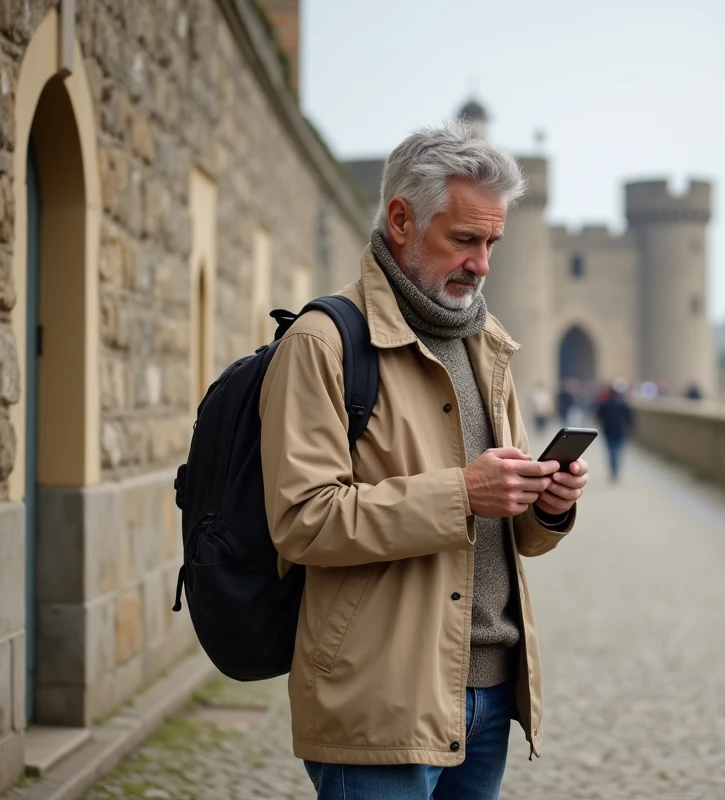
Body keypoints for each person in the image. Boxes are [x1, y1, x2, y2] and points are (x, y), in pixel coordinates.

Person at [259, 120, 589, 800]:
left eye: (493, 242)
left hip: (492, 699)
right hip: (380, 702)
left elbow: (512, 533)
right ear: (402, 220)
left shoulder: (487, 345)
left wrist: (548, 505)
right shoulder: (323, 344)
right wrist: (462, 494)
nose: (482, 263)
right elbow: (302, 521)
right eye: (464, 239)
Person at [595, 378, 634, 481]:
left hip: (608, 431)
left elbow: (598, 417)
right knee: (619, 451)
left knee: (611, 452)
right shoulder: (623, 404)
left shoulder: (605, 405)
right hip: (620, 430)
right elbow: (630, 418)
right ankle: (616, 471)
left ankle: (613, 471)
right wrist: (631, 429)